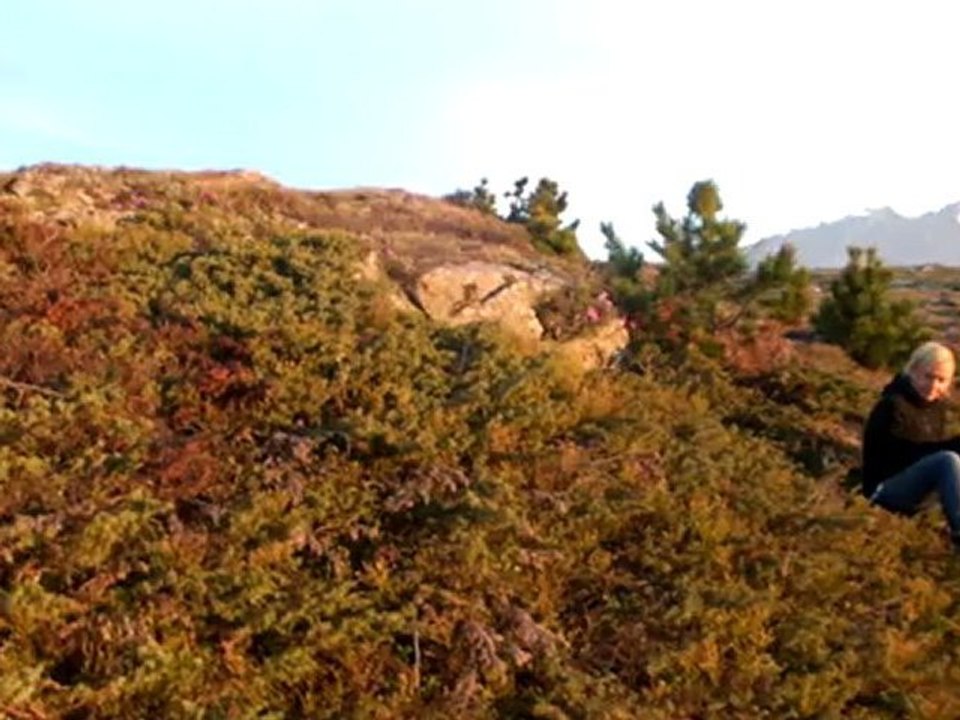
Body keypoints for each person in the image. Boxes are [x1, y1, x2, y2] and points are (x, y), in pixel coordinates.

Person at [862, 341, 960, 547]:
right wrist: (953, 446)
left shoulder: (937, 408)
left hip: (917, 491)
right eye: (928, 376)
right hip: (886, 489)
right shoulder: (892, 405)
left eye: (941, 380)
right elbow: (903, 457)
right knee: (947, 460)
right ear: (913, 371)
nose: (934, 385)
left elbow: (929, 451)